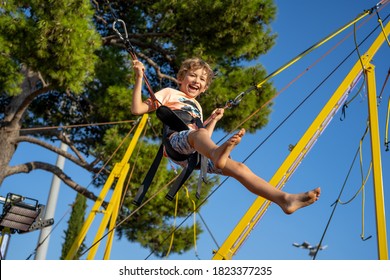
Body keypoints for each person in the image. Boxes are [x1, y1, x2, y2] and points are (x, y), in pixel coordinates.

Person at [131, 57, 320, 214]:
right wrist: (139, 77)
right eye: (193, 75)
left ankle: (284, 199)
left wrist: (213, 120)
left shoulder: (198, 107)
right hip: (176, 143)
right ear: (181, 78)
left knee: (239, 168)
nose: (197, 81)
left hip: (196, 152)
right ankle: (217, 154)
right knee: (201, 137)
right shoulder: (169, 93)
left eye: (202, 79)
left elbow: (205, 138)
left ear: (204, 88)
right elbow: (137, 109)